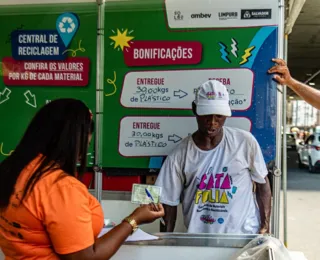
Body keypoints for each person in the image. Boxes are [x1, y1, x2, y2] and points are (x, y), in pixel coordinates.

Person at [0, 99, 164, 260]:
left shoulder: (11, 169)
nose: (81, 154)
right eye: (84, 145)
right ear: (69, 142)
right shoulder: (60, 187)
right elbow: (85, 257)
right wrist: (134, 220)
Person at [155, 80, 271, 234]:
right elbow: (168, 201)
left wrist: (265, 225)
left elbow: (262, 183)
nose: (212, 123)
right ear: (195, 109)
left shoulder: (244, 142)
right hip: (199, 238)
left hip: (243, 235)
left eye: (219, 116)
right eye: (206, 116)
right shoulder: (180, 154)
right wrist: (165, 240)